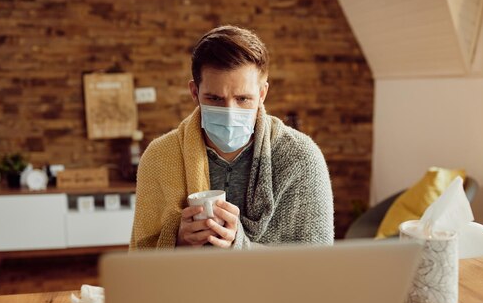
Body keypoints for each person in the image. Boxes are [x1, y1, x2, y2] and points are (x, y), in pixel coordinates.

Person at [130, 25, 334, 249]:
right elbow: (141, 257)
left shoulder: (301, 158)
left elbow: (315, 266)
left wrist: (239, 244)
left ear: (262, 94)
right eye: (215, 99)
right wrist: (178, 243)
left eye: (243, 99)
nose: (229, 111)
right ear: (194, 92)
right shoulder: (160, 157)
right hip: (191, 285)